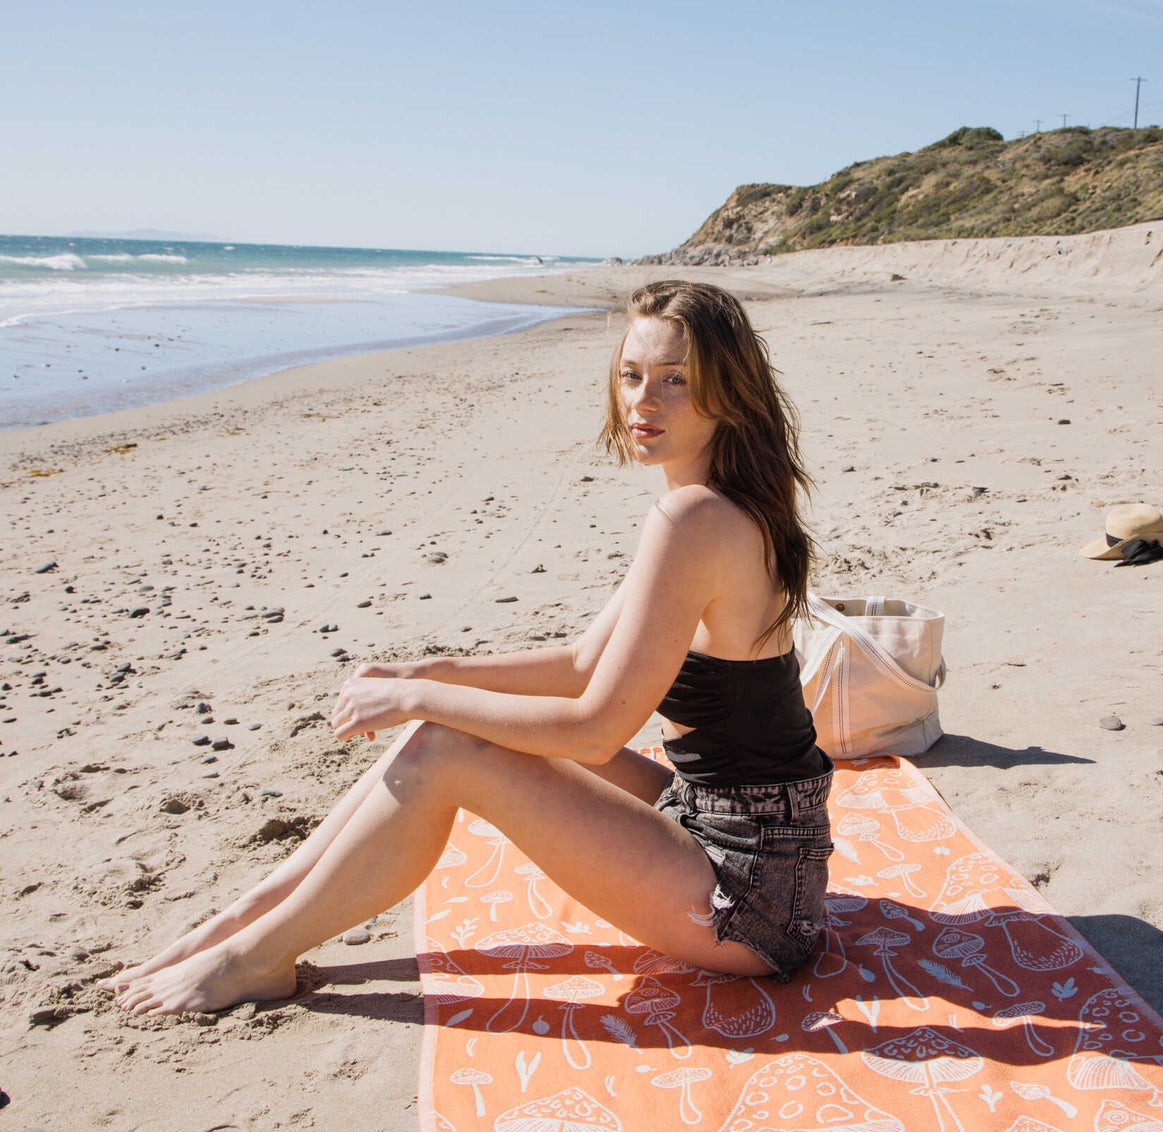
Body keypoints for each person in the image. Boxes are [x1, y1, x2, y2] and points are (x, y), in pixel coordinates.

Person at [110, 281, 833, 1017]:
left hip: (750, 894)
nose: (644, 401)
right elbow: (583, 664)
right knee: (450, 725)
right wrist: (430, 673)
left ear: (728, 394)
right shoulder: (723, 500)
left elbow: (594, 728)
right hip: (728, 822)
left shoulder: (693, 518)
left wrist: (417, 698)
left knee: (447, 748)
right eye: (632, 375)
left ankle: (257, 957)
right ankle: (254, 912)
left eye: (676, 381)